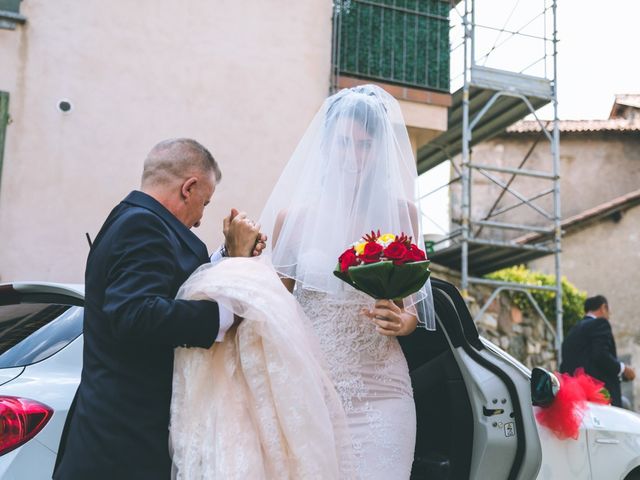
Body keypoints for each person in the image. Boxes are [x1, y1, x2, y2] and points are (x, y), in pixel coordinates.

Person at [53, 138, 264, 480]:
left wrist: (227, 258)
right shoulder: (143, 226)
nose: (199, 220)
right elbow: (135, 313)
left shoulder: (134, 219)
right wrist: (227, 314)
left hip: (119, 432)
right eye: (204, 203)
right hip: (125, 439)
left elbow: (172, 282)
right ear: (188, 187)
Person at [259, 84, 436, 479]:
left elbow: (410, 311)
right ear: (326, 147)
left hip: (383, 389)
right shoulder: (294, 220)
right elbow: (275, 309)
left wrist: (403, 322)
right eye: (344, 143)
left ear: (378, 151)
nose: (354, 155)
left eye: (365, 145)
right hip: (315, 389)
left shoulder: (402, 214)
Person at [560, 295, 635, 407]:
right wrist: (623, 369)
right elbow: (600, 355)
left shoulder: (572, 332)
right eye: (609, 312)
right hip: (599, 399)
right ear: (603, 307)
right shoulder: (600, 323)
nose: (609, 316)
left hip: (575, 400)